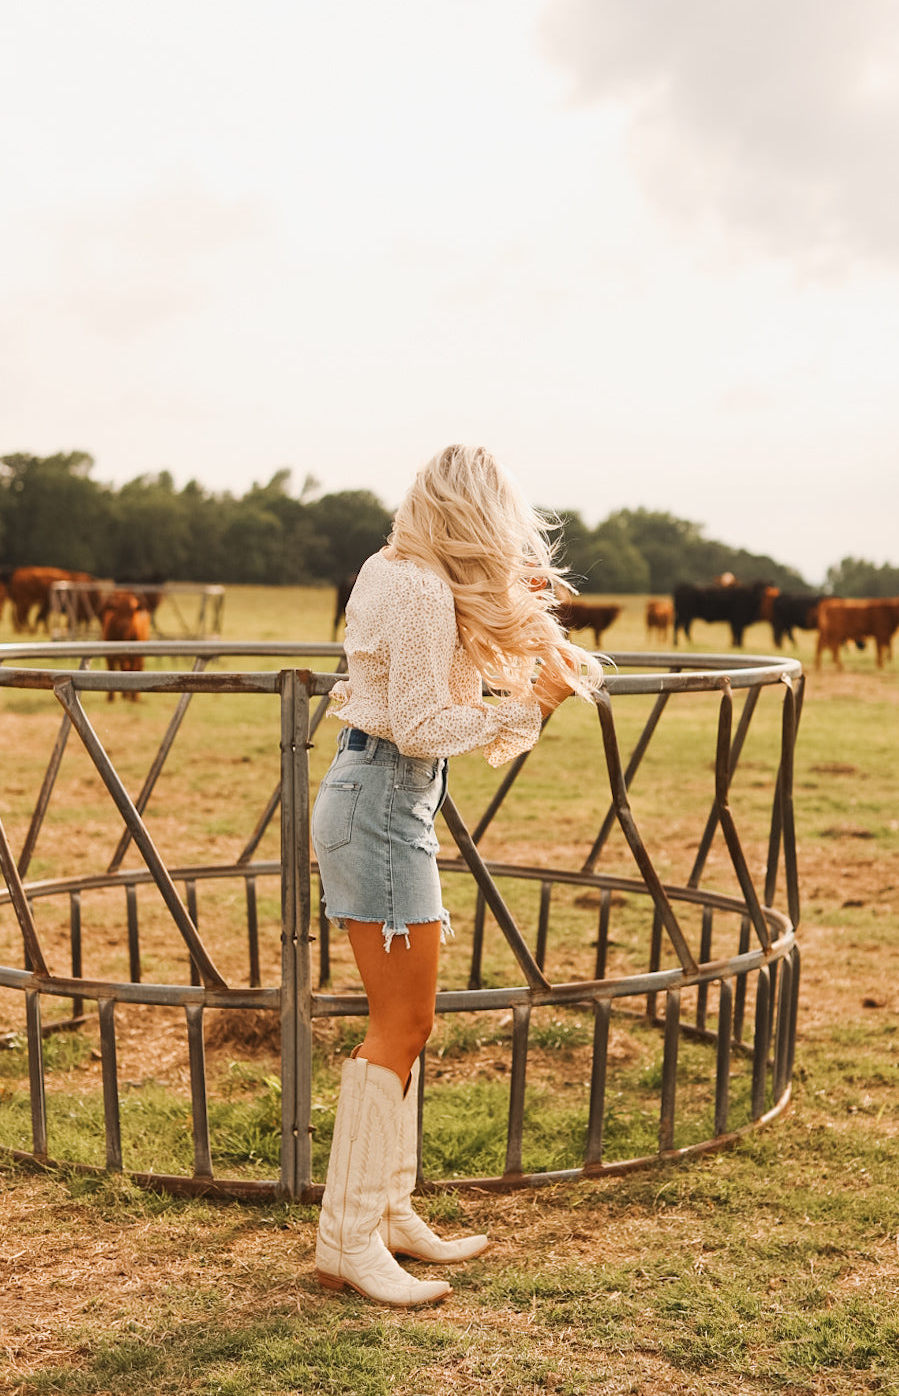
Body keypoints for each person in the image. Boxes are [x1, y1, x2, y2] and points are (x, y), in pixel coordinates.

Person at [311, 444, 603, 1306]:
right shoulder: (415, 586)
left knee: (408, 1022)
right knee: (400, 1024)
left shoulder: (399, 571)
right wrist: (532, 704)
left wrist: (520, 698)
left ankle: (386, 1213)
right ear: (477, 512)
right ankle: (349, 1240)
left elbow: (436, 727)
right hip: (380, 797)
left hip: (385, 799)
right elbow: (416, 723)